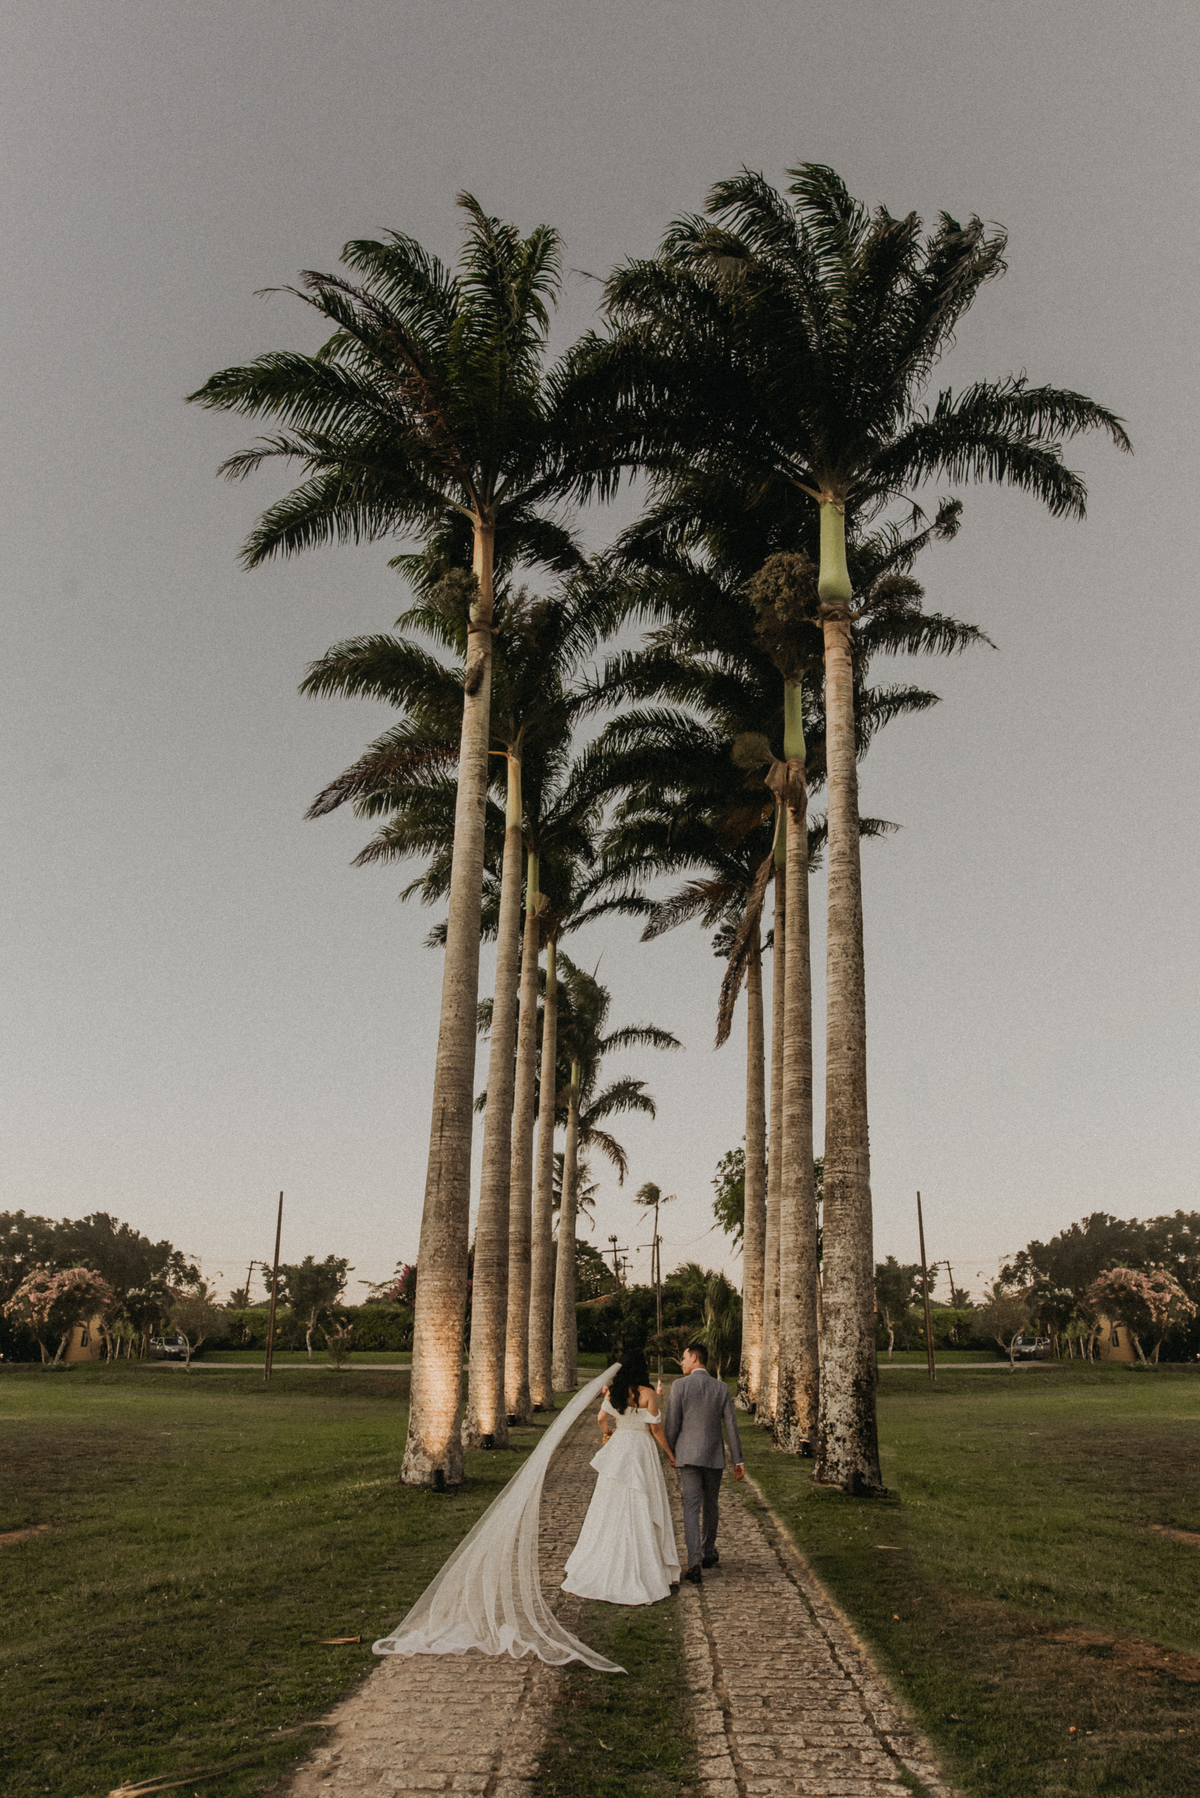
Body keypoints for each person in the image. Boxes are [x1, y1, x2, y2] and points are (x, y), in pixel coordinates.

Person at [561, 1347, 682, 1605]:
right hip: (641, 1447)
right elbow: (656, 1428)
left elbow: (601, 1418)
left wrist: (609, 1434)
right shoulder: (649, 1394)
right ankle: (647, 1562)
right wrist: (670, 1453)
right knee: (643, 1497)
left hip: (621, 1445)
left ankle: (603, 1556)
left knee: (610, 1500)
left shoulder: (614, 1393)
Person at [663, 1341, 745, 1583]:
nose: (682, 1363)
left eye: (685, 1358)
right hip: (713, 1455)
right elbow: (731, 1426)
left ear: (696, 1359)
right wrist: (737, 1459)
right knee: (711, 1504)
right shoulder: (721, 1388)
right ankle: (708, 1551)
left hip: (687, 1456)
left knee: (690, 1506)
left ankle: (694, 1561)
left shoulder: (679, 1386)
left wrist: (670, 1452)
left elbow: (672, 1423)